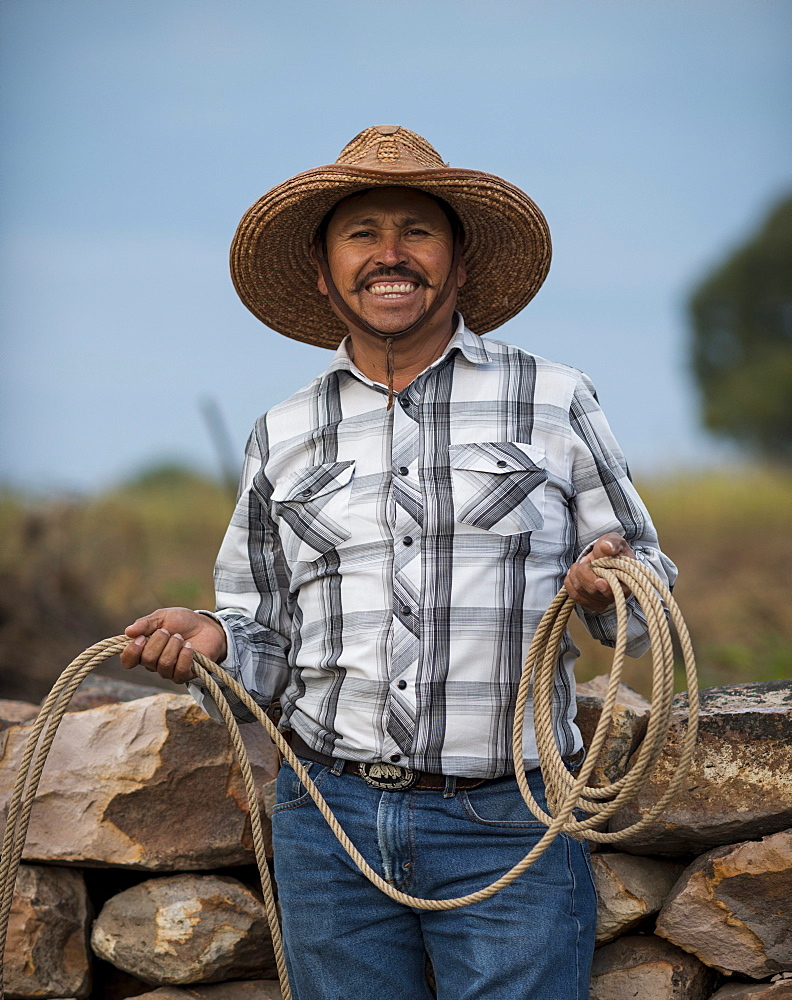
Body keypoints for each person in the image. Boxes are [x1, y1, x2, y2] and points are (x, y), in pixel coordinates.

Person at [121, 125, 676, 1000]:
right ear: (322, 269)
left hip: (510, 815)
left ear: (458, 264)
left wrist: (608, 590)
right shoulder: (284, 431)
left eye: (417, 231)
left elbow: (647, 585)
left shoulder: (555, 398)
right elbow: (266, 629)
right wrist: (215, 641)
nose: (391, 255)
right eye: (361, 233)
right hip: (328, 822)